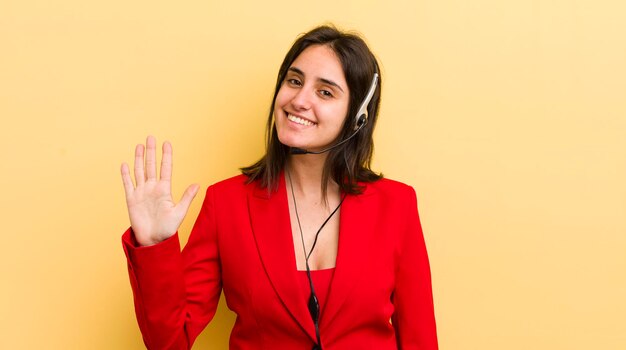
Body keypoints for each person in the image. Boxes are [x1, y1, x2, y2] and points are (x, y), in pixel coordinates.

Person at [120, 25, 438, 350]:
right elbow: (170, 341)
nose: (299, 100)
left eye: (325, 92)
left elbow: (420, 340)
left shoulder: (397, 204)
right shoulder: (225, 204)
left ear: (358, 115)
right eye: (294, 81)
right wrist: (154, 246)